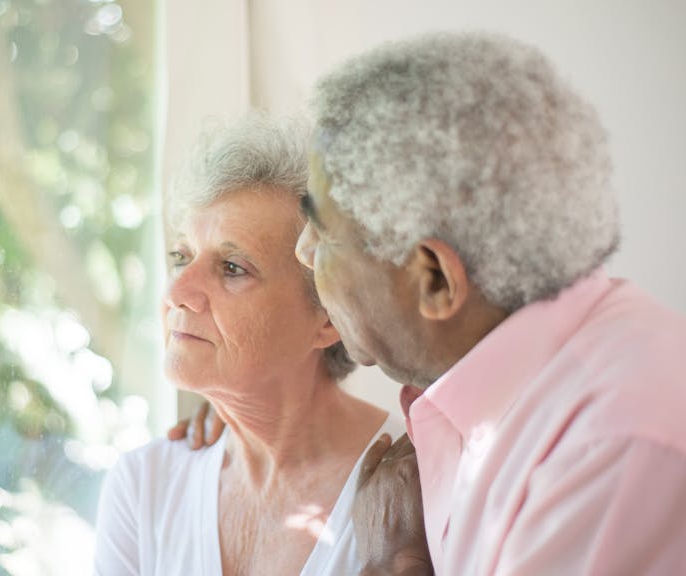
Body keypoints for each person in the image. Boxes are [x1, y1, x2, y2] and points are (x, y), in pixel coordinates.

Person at [185, 32, 686, 574]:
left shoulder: (611, 447)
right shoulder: (502, 406)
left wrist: (393, 565)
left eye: (324, 232)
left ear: (435, 281)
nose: (304, 253)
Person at [92, 113, 413, 576]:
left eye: (232, 268)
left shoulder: (413, 490)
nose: (177, 293)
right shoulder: (145, 486)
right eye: (181, 257)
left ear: (328, 318)